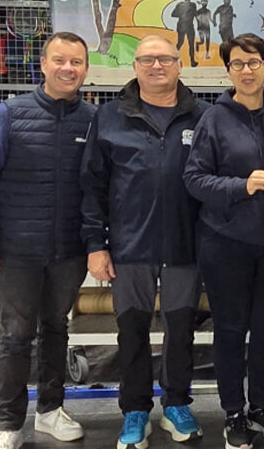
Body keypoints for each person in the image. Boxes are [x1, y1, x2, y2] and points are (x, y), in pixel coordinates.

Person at [80, 35, 209, 449]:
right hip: (129, 246)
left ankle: (176, 405)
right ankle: (135, 411)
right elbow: (92, 186)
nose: (157, 66)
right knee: (131, 330)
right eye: (148, 60)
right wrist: (95, 245)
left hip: (185, 246)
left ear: (179, 65)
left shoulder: (203, 116)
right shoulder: (109, 117)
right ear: (135, 66)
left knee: (180, 329)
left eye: (165, 59)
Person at [0, 32, 95, 449]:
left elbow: (99, 185)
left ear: (85, 69)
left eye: (76, 62)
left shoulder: (93, 120)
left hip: (69, 251)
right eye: (59, 60)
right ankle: (8, 423)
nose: (67, 68)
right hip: (17, 249)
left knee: (56, 328)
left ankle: (50, 411)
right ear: (43, 64)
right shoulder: (8, 114)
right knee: (17, 333)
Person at [183, 33, 264, 449]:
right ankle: (233, 412)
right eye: (237, 64)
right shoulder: (213, 118)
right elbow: (193, 179)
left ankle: (261, 405)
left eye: (254, 62)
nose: (247, 71)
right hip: (225, 241)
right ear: (227, 71)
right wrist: (239, 186)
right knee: (230, 330)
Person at [172, 0, 198, 67]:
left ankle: (192, 61)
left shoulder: (193, 5)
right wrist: (182, 14)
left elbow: (195, 14)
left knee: (190, 44)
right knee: (181, 43)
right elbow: (173, 14)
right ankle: (172, 58)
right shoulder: (180, 5)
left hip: (189, 26)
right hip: (182, 26)